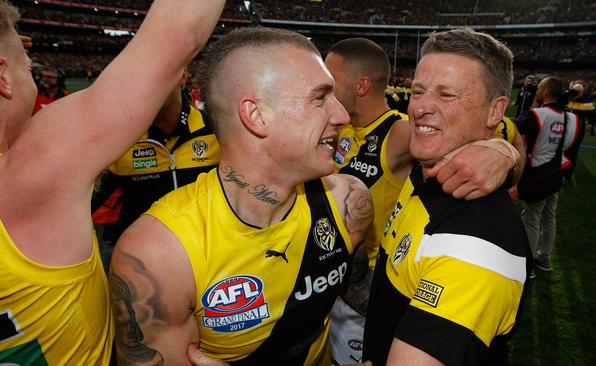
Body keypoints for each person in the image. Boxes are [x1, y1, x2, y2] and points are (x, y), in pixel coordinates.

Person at [109, 27, 373, 366]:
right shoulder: (159, 254)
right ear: (256, 115)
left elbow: (359, 292)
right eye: (320, 98)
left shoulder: (348, 202)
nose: (342, 116)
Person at [0, 0, 225, 364]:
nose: (35, 73)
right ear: (3, 79)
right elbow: (178, 35)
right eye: (28, 68)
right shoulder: (32, 171)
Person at [324, 37, 522, 364]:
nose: (419, 108)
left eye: (447, 94)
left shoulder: (476, 244)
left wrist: (505, 152)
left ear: (495, 111)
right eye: (418, 92)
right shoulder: (425, 175)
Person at [92, 70, 220, 261]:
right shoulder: (120, 137)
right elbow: (84, 204)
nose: (150, 83)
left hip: (206, 252)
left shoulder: (217, 129)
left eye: (160, 71)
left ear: (183, 75)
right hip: (139, 257)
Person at [516, 76, 579, 274]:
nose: (537, 90)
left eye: (540, 87)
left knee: (531, 218)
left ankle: (528, 266)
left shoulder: (538, 114)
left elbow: (517, 130)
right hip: (556, 172)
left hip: (538, 174)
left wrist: (534, 104)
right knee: (549, 218)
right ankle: (544, 258)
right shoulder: (569, 116)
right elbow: (568, 144)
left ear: (546, 92)